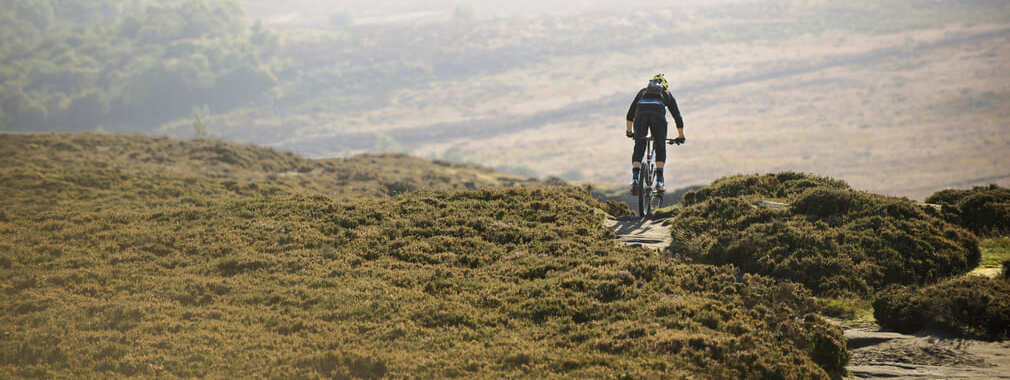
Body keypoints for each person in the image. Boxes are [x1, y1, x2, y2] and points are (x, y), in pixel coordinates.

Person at [626, 73, 685, 193]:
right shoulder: (666, 93)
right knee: (660, 146)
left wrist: (629, 131)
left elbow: (630, 114)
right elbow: (677, 116)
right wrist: (680, 136)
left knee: (639, 146)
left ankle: (635, 179)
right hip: (658, 115)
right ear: (664, 85)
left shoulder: (642, 92)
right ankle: (659, 182)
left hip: (641, 115)